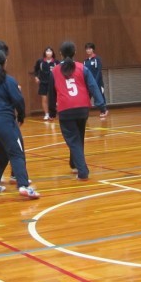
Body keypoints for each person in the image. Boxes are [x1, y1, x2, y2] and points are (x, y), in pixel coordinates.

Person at [0, 49, 39, 199]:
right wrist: (21, 116)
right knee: (16, 153)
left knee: (2, 154)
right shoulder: (9, 80)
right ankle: (24, 186)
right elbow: (18, 100)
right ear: (5, 62)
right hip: (4, 122)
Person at [48, 41, 108, 181]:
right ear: (75, 53)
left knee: (74, 140)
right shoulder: (82, 67)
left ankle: (83, 171)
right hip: (82, 108)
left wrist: (52, 113)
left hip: (66, 109)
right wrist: (102, 106)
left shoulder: (55, 71)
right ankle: (74, 163)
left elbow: (51, 94)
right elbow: (93, 86)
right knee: (78, 137)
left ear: (60, 54)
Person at [33, 47, 58, 121]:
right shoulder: (40, 61)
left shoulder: (56, 62)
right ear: (45, 52)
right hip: (43, 82)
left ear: (52, 53)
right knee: (44, 98)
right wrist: (36, 77)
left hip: (53, 83)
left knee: (55, 98)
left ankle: (53, 113)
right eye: (47, 51)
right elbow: (36, 70)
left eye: (50, 51)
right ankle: (46, 114)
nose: (49, 52)